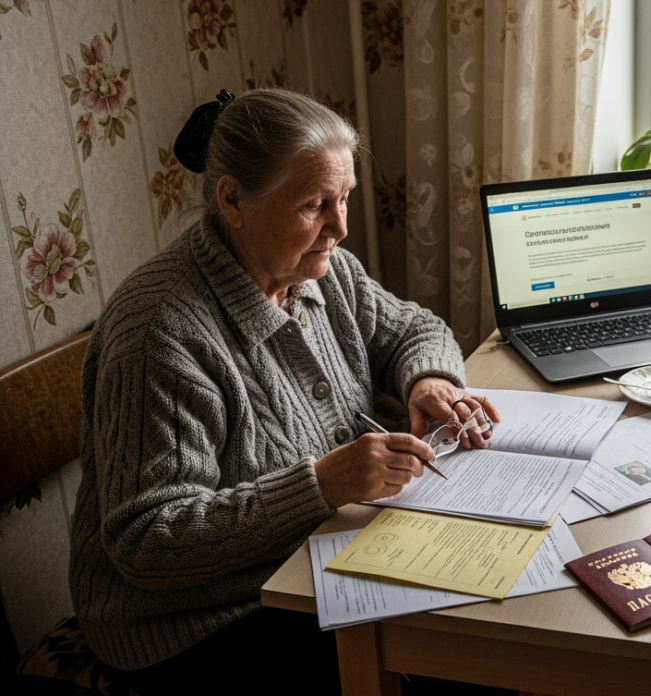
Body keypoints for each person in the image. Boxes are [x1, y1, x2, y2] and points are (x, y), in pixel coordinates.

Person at [69, 89, 501, 695]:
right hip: (193, 620)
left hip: (315, 561)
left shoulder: (322, 272)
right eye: (314, 205)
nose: (341, 227)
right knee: (442, 662)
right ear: (232, 199)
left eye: (344, 197)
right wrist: (320, 486)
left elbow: (414, 328)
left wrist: (427, 378)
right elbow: (145, 541)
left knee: (486, 623)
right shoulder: (161, 334)